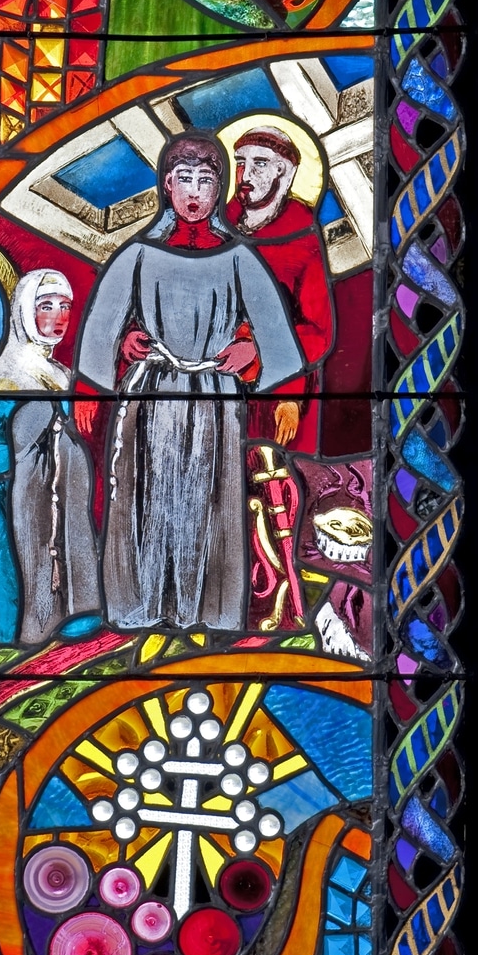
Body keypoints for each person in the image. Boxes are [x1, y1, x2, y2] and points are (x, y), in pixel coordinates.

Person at [73, 134, 303, 632]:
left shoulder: (238, 256)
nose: (194, 192)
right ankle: (141, 606)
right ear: (167, 187)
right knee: (145, 499)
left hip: (216, 398)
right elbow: (103, 324)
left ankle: (208, 611)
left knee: (209, 502)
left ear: (219, 189)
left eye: (205, 181)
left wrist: (261, 364)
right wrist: (107, 365)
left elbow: (273, 333)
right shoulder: (138, 254)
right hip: (151, 397)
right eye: (184, 180)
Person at [0, 268, 100, 652]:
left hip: (57, 499)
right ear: (24, 312)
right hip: (1, 508)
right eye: (46, 306)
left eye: (65, 307)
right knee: (9, 622)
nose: (58, 317)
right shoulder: (1, 377)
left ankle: (63, 616)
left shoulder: (63, 376)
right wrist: (37, 430)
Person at [227, 127, 335, 455]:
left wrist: (259, 353)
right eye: (240, 162)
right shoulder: (217, 225)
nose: (245, 174)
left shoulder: (301, 236)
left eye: (259, 163)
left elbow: (318, 332)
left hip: (273, 389)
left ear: (283, 171)